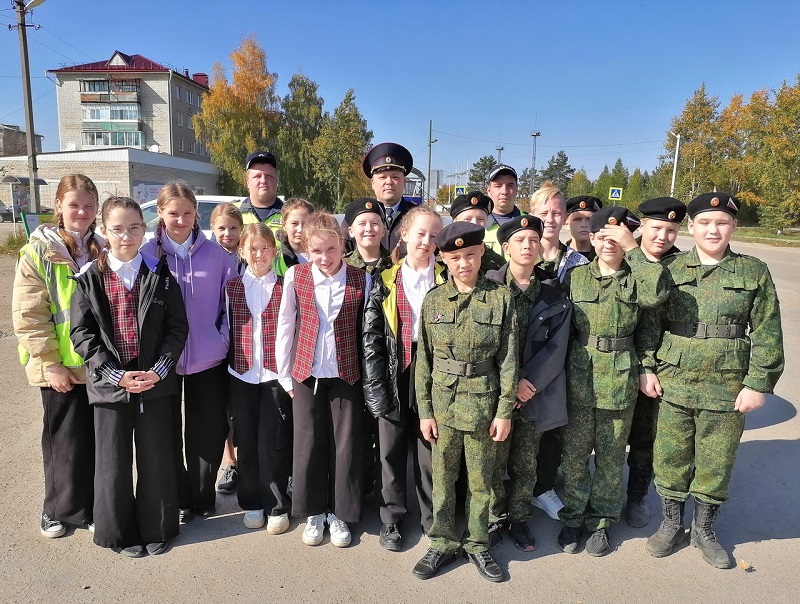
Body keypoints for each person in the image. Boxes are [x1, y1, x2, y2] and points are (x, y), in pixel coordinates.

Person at [644, 192, 784, 569]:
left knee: (717, 459)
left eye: (721, 222)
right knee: (670, 455)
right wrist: (646, 368)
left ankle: (704, 529)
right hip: (675, 377)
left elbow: (768, 330)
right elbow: (650, 325)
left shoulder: (753, 271)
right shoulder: (670, 270)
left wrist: (758, 383)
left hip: (728, 383)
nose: (713, 229)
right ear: (692, 227)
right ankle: (670, 522)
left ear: (734, 226)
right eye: (705, 222)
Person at [70, 196, 188, 558]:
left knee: (156, 459)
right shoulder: (88, 278)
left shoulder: (160, 274)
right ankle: (118, 533)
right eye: (118, 229)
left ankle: (158, 526)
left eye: (134, 228)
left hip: (153, 384)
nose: (126, 236)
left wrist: (158, 371)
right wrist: (114, 375)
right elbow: (82, 334)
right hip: (110, 387)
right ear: (104, 231)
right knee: (112, 464)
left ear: (144, 229)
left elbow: (176, 327)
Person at [557, 206, 667, 557]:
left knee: (610, 455)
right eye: (602, 236)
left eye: (617, 238)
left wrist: (635, 250)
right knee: (574, 455)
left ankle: (601, 520)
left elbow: (654, 301)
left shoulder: (639, 277)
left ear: (627, 240)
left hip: (620, 375)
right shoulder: (575, 277)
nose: (608, 244)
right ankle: (574, 515)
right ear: (592, 236)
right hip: (579, 375)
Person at [412, 222, 517, 583]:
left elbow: (508, 360)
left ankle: (477, 542)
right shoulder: (434, 300)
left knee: (481, 481)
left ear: (481, 254)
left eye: (470, 256)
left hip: (484, 405)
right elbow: (423, 360)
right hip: (442, 405)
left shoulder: (501, 298)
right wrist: (424, 410)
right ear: (443, 258)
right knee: (442, 479)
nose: (463, 264)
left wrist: (505, 412)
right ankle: (441, 541)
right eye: (455, 258)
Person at [13, 174, 102, 539]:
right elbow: (28, 314)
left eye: (88, 205)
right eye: (74, 205)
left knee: (95, 441)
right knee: (63, 441)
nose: (81, 212)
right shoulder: (39, 251)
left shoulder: (101, 247)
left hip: (96, 365)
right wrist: (51, 362)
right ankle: (57, 510)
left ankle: (93, 506)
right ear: (59, 207)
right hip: (60, 366)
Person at [142, 182, 236, 523]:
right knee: (166, 432)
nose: (180, 220)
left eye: (187, 213)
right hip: (161, 361)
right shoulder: (148, 255)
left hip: (208, 358)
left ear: (197, 213)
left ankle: (201, 495)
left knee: (206, 431)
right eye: (172, 213)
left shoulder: (219, 256)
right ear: (161, 215)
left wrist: (222, 339)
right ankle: (178, 496)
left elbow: (232, 306)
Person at [276, 211, 371, 548]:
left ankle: (341, 513)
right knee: (309, 443)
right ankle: (314, 511)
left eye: (331, 249)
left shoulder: (362, 278)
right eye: (316, 251)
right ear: (306, 249)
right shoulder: (296, 276)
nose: (325, 258)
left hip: (346, 373)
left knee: (345, 446)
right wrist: (285, 374)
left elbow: (366, 331)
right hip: (305, 373)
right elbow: (286, 323)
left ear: (342, 244)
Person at [486, 215, 572, 552]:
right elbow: (483, 343)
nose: (527, 246)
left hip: (535, 396)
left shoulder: (553, 293)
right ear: (506, 248)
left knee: (526, 463)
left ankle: (518, 518)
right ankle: (493, 519)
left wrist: (527, 384)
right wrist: (510, 385)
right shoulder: (489, 288)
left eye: (533, 241)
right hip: (497, 395)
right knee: (492, 462)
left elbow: (557, 347)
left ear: (540, 248)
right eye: (520, 240)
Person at [363, 206, 445, 551]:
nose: (426, 241)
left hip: (434, 376)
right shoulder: (385, 280)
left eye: (433, 236)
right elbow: (372, 338)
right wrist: (376, 387)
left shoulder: (446, 278)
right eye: (420, 233)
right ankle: (393, 517)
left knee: (429, 450)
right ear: (405, 235)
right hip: (397, 370)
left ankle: (431, 518)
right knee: (391, 449)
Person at [223, 223, 292, 534]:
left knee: (273, 442)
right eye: (252, 249)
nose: (259, 254)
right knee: (247, 441)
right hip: (241, 374)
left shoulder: (285, 285)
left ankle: (277, 503)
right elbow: (224, 329)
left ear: (274, 252)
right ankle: (251, 501)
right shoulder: (231, 287)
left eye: (265, 248)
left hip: (275, 376)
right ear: (242, 252)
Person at [623, 196, 685, 528]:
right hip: (616, 362)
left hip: (659, 367)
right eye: (657, 228)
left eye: (671, 230)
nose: (662, 236)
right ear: (642, 225)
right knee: (610, 435)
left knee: (647, 436)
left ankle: (636, 496)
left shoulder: (679, 265)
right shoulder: (621, 257)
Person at [528, 181, 589, 521]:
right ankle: (518, 482)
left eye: (556, 213)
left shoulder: (578, 262)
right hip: (526, 358)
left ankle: (544, 487)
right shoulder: (521, 252)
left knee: (552, 427)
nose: (550, 219)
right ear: (531, 215)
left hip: (564, 358)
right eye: (543, 212)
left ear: (565, 217)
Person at [210, 202, 245, 494]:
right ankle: (229, 463)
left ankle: (246, 460)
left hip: (244, 343)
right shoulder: (207, 258)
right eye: (221, 228)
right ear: (213, 229)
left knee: (240, 407)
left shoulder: (248, 256)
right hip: (216, 343)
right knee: (222, 409)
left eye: (233, 228)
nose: (227, 234)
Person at [359, 142, 417, 251]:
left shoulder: (417, 216)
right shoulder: (358, 216)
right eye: (382, 177)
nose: (389, 182)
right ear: (372, 183)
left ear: (404, 182)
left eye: (395, 177)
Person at [449, 191, 505, 272]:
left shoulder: (498, 263)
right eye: (467, 219)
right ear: (455, 222)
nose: (474, 223)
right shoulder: (441, 260)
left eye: (480, 219)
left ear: (486, 222)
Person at [344, 198, 393, 275]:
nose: (369, 228)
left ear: (383, 230)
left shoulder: (396, 264)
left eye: (375, 223)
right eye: (362, 224)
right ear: (351, 231)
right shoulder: (342, 267)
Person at [237, 151, 283, 231]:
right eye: (257, 176)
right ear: (247, 182)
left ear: (277, 180)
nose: (263, 181)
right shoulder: (233, 212)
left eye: (269, 176)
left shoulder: (292, 214)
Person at [484, 164, 523, 253]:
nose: (504, 191)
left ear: (517, 189)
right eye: (498, 186)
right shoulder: (478, 224)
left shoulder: (530, 223)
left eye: (510, 186)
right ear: (488, 190)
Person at [274, 197, 314, 277]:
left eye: (305, 223)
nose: (300, 229)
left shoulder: (323, 255)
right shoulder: (275, 259)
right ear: (284, 224)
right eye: (294, 223)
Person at [565, 195, 603, 261]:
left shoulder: (604, 257)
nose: (584, 225)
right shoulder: (557, 256)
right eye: (577, 219)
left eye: (589, 219)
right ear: (567, 224)